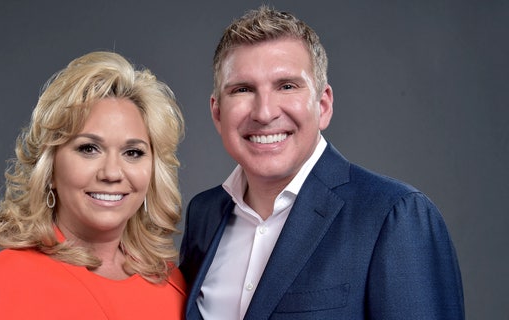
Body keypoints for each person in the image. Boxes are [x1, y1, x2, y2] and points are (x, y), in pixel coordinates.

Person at [179, 6, 464, 320]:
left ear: (323, 105)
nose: (264, 112)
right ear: (218, 113)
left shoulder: (394, 215)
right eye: (243, 89)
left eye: (287, 86)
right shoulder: (204, 215)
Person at [0, 51, 186, 319]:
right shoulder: (4, 281)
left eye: (133, 152)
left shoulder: (172, 285)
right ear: (50, 168)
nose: (111, 173)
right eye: (88, 148)